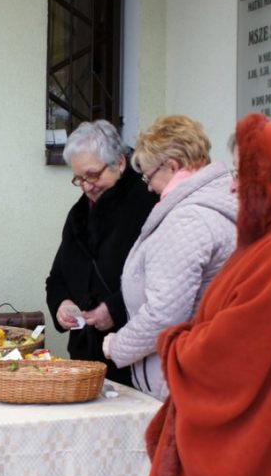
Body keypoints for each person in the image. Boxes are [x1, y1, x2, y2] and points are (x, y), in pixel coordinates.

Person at [119, 113, 271, 476]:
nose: (235, 186)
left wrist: (177, 345)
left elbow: (235, 349)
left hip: (266, 432)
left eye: (247, 174)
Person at [45, 120, 158, 476]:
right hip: (87, 352)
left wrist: (115, 309)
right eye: (80, 178)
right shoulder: (78, 212)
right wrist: (63, 306)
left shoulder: (147, 205)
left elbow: (162, 284)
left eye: (94, 176)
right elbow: (57, 278)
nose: (87, 186)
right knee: (103, 453)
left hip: (133, 351)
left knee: (136, 454)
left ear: (121, 163)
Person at [102, 115, 237, 401]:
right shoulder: (218, 204)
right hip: (213, 372)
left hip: (184, 380)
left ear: (173, 166)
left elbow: (164, 314)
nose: (149, 187)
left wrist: (117, 346)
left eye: (148, 176)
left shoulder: (187, 219)